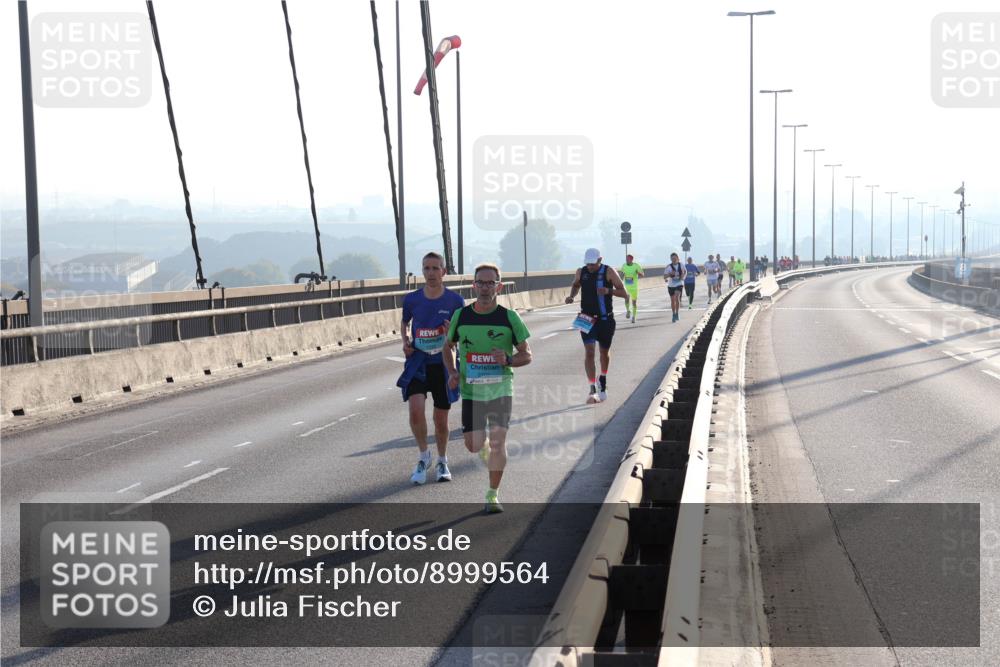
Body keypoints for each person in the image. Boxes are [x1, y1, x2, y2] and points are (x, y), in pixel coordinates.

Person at [444, 263, 532, 513]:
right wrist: (451, 371)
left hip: (500, 389)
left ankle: (492, 494)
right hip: (472, 391)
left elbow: (527, 354)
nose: (485, 288)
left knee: (497, 442)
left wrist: (507, 360)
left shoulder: (509, 317)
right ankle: (484, 453)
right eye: (480, 283)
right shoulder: (462, 316)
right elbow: (447, 345)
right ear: (473, 285)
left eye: (490, 283)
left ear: (499, 286)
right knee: (473, 444)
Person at [399, 252, 466, 485]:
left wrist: (451, 336)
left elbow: (460, 335)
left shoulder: (455, 301)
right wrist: (405, 341)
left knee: (441, 419)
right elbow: (405, 322)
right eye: (426, 268)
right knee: (415, 410)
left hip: (443, 364)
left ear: (444, 272)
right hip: (418, 361)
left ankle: (442, 460)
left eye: (435, 268)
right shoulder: (412, 299)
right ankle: (423, 456)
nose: (430, 273)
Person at [565, 248, 628, 404]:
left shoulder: (609, 271)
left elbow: (624, 293)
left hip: (606, 319)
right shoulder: (581, 271)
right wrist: (571, 296)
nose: (590, 267)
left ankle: (603, 379)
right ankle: (592, 388)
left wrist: (608, 290)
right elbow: (575, 285)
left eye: (593, 264)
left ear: (600, 260)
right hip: (586, 318)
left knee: (604, 352)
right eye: (588, 264)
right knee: (589, 352)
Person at [619, 254, 644, 323]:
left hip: (634, 288)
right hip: (627, 287)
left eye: (627, 259)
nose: (626, 260)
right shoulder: (624, 265)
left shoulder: (636, 266)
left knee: (634, 303)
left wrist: (638, 272)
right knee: (626, 299)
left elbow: (642, 274)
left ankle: (633, 317)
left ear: (631, 260)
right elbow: (621, 274)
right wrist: (620, 281)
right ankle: (628, 311)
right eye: (626, 259)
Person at [663, 252, 685, 323]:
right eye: (672, 259)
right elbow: (664, 277)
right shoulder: (668, 267)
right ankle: (673, 314)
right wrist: (670, 274)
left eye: (675, 258)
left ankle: (677, 313)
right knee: (672, 300)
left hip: (679, 284)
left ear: (678, 258)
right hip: (671, 285)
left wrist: (682, 277)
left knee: (677, 297)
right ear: (670, 259)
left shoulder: (681, 265)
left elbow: (685, 272)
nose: (674, 260)